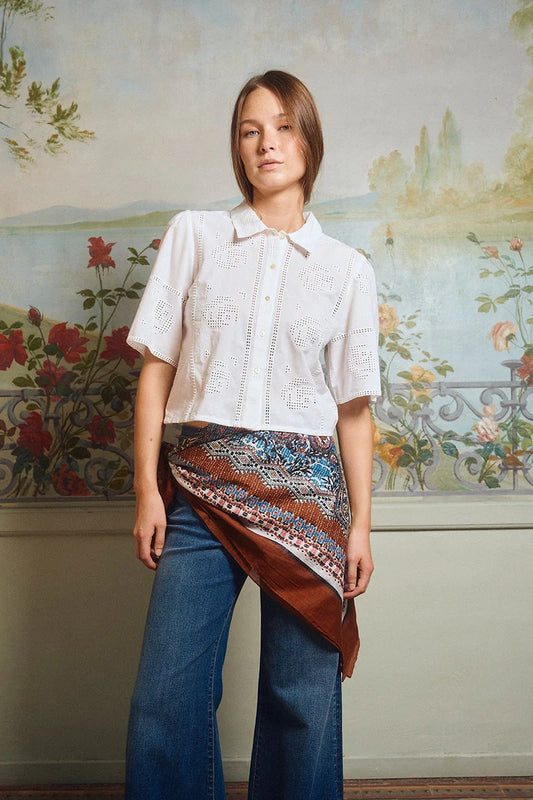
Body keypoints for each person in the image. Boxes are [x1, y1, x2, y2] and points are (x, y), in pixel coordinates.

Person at [124, 70, 381, 800]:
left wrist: (360, 526)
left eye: (282, 126)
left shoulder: (346, 270)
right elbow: (156, 370)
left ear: (309, 138)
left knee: (302, 703)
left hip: (309, 507)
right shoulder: (195, 235)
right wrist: (148, 491)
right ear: (236, 147)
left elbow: (352, 411)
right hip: (199, 487)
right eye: (249, 130)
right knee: (165, 701)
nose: (266, 143)